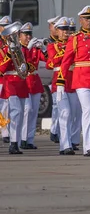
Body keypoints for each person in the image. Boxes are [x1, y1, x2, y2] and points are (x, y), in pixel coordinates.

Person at [58, 5, 90, 157]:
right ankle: (88, 147)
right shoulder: (75, 39)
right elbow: (66, 61)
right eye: (86, 19)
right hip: (81, 79)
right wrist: (61, 82)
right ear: (80, 20)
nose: (89, 21)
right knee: (88, 110)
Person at [0, 21, 32, 154]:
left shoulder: (24, 49)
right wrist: (8, 56)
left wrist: (27, 66)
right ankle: (12, 142)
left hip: (22, 82)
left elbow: (32, 64)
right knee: (16, 111)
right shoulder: (4, 51)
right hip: (10, 82)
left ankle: (16, 142)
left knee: (20, 115)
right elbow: (1, 68)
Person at [46, 17, 76, 155]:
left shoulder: (74, 43)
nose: (66, 32)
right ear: (56, 31)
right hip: (59, 81)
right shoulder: (52, 46)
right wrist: (68, 51)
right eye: (63, 30)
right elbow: (52, 61)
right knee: (65, 112)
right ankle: (65, 145)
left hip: (74, 81)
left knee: (73, 114)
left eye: (68, 30)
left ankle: (69, 141)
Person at [20, 22, 46, 150]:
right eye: (26, 34)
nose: (28, 37)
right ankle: (22, 138)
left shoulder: (34, 48)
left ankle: (29, 139)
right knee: (27, 110)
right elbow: (22, 62)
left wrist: (44, 49)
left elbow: (48, 61)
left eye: (30, 34)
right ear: (20, 36)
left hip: (34, 81)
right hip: (24, 80)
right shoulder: (19, 48)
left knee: (34, 111)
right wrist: (28, 49)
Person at [67, 17, 82, 150]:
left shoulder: (77, 42)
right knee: (68, 113)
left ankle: (74, 140)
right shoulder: (58, 45)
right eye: (68, 30)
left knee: (78, 112)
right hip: (66, 80)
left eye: (72, 30)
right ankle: (66, 140)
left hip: (77, 78)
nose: (70, 33)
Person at [46, 15, 61, 143]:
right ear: (50, 27)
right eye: (54, 26)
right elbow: (49, 62)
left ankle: (57, 130)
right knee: (56, 105)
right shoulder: (48, 42)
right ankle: (55, 130)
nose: (56, 29)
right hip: (54, 77)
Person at [0, 15, 12, 144]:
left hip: (6, 78)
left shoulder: (13, 42)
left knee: (5, 107)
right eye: (4, 27)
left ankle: (5, 133)